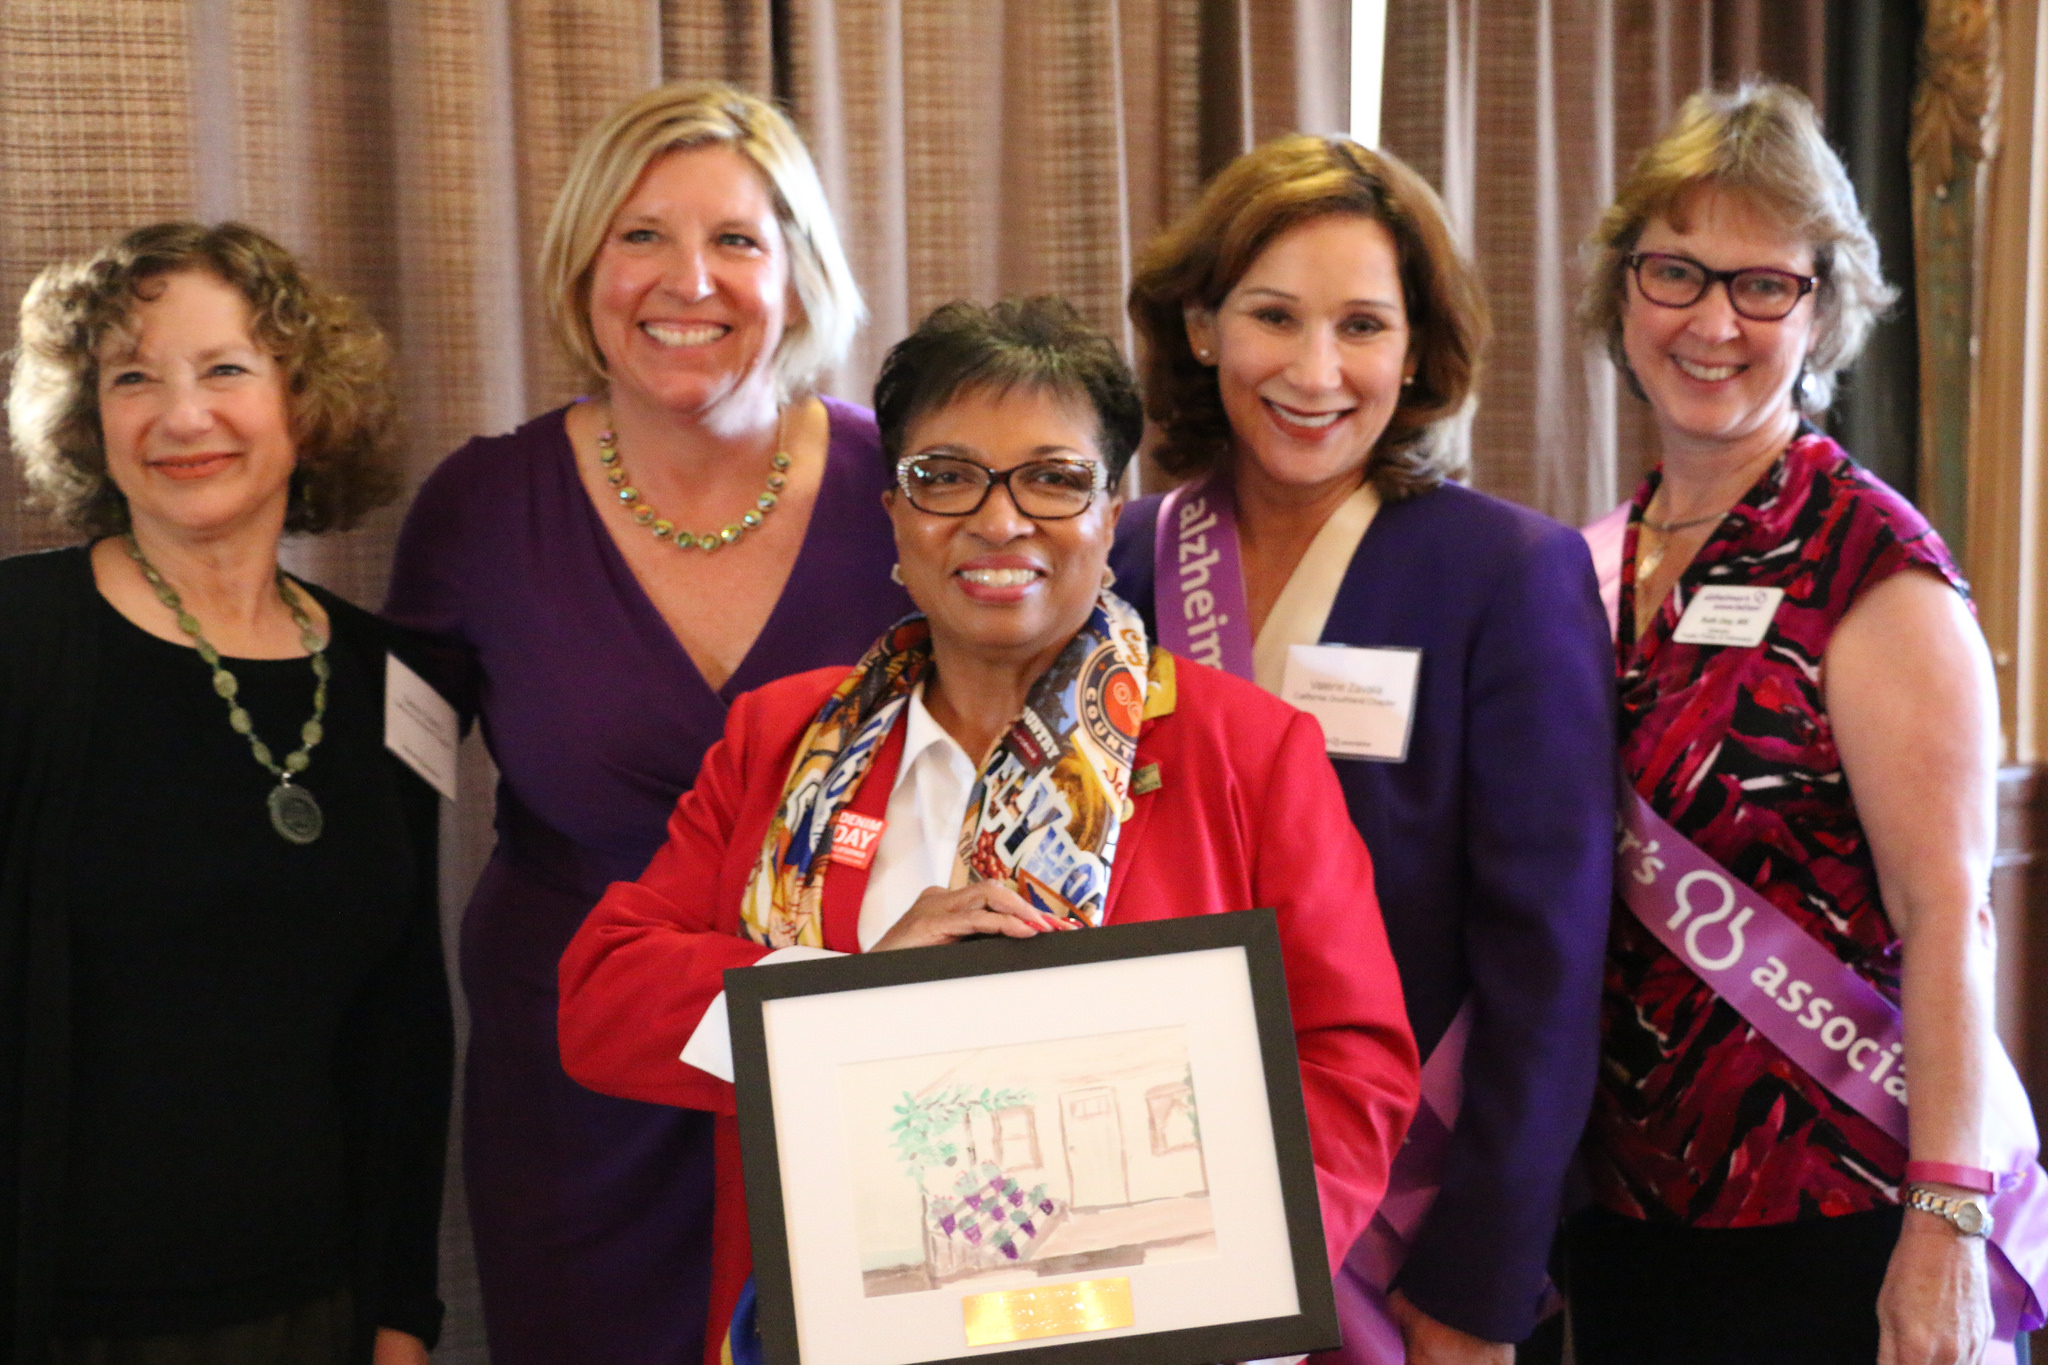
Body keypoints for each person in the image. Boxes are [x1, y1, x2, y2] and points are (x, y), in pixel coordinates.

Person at [555, 296, 1423, 1365]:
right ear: (893, 510)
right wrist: (851, 998)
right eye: (946, 476)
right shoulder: (779, 742)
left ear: (1111, 512)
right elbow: (603, 998)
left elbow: (1351, 1062)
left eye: (1052, 479)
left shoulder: (1245, 750)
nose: (999, 520)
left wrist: (1223, 1289)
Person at [382, 81, 912, 1365]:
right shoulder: (480, 510)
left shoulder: (908, 489)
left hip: (851, 1061)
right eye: (641, 236)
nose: (690, 281)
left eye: (735, 239)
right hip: (578, 1079)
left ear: (797, 271)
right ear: (583, 266)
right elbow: (379, 813)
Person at [1110, 135, 1615, 1362]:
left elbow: (1546, 965)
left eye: (1361, 327)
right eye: (1272, 317)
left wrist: (1477, 1283)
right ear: (1199, 329)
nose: (1314, 371)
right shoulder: (1116, 562)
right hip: (1145, 1204)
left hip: (1402, 1229)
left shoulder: (1505, 574)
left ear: (1416, 348)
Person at [1570, 82, 2046, 1365]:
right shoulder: (1591, 565)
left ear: (1821, 312)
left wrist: (1944, 1224)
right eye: (1675, 272)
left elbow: (1947, 915)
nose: (1711, 321)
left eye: (1762, 285)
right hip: (1623, 1215)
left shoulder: (1872, 567)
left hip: (1838, 1214)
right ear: (1623, 291)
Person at [0, 222, 452, 1365]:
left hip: (318, 1307)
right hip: (62, 1317)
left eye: (226, 369)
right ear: (88, 418)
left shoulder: (393, 680)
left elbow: (405, 1023)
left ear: (306, 402)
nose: (182, 415)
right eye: (132, 378)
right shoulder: (18, 644)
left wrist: (403, 1313)